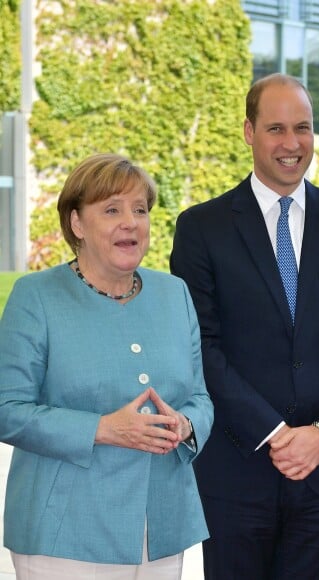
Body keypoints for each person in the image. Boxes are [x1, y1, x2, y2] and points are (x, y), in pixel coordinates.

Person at [170, 73, 319, 580]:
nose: (292, 144)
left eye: (304, 128)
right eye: (276, 129)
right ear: (249, 132)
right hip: (236, 470)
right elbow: (200, 345)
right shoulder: (202, 227)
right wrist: (273, 433)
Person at [0, 153, 214, 579]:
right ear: (77, 223)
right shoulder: (36, 297)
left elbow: (199, 398)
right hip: (64, 535)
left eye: (140, 210)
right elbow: (7, 409)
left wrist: (186, 425)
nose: (131, 222)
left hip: (162, 529)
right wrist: (103, 429)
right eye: (112, 209)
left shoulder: (175, 294)